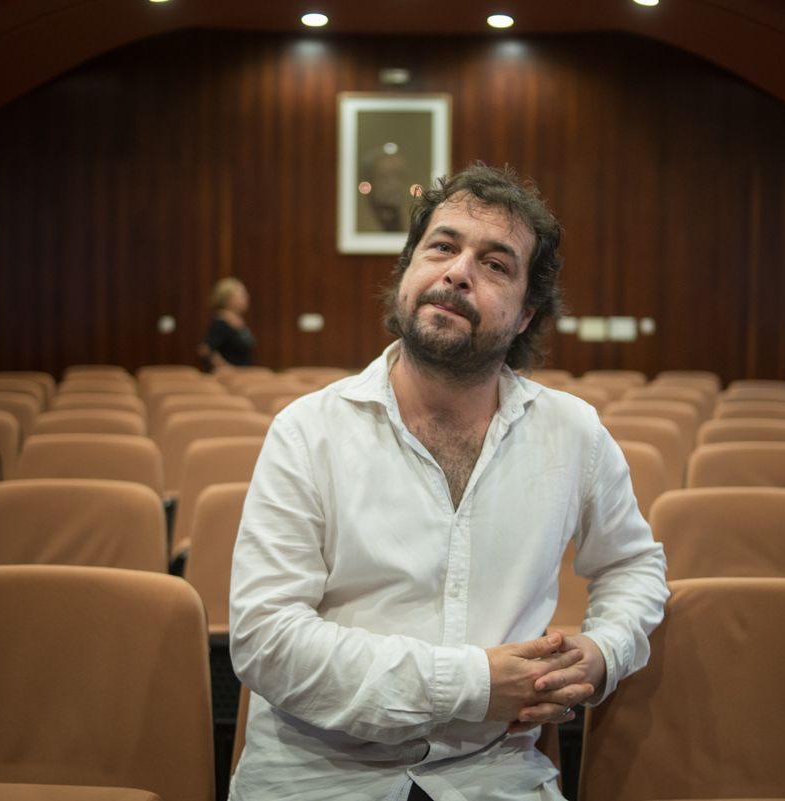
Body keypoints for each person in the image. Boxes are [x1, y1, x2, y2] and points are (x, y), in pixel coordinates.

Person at [228, 163, 668, 800]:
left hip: (496, 777)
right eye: (441, 246)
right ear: (408, 273)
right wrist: (473, 684)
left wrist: (601, 654)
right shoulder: (308, 431)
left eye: (495, 264)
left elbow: (633, 565)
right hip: (319, 778)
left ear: (525, 315)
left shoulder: (572, 433)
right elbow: (266, 638)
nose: (458, 271)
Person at [199, 277, 255, 370]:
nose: (247, 297)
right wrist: (226, 368)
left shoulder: (239, 320)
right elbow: (206, 350)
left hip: (243, 373)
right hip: (229, 377)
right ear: (227, 298)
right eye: (241, 295)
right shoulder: (220, 323)